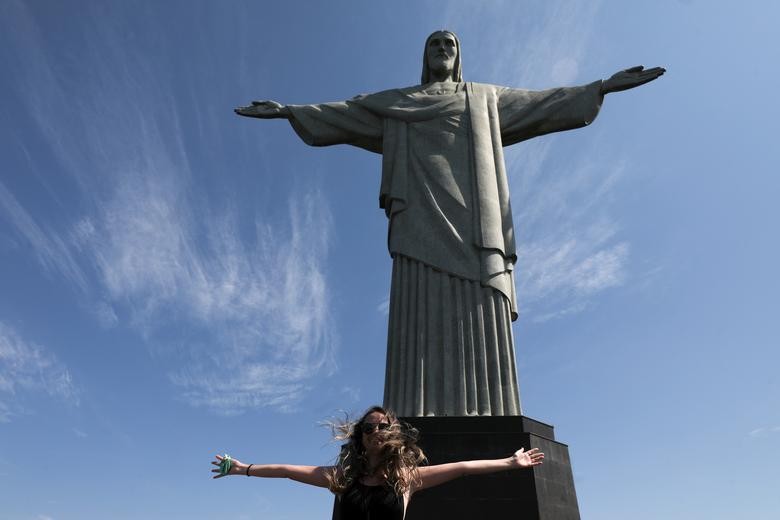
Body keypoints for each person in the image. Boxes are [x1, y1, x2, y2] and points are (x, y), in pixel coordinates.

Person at [235, 31, 664, 417]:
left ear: (458, 56)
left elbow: (543, 103)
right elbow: (345, 113)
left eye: (449, 44)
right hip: (418, 213)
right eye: (434, 44)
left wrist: (601, 87)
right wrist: (289, 111)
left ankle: (493, 412)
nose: (442, 49)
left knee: (482, 301)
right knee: (417, 300)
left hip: (476, 220)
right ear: (424, 56)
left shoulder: (483, 97)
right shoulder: (396, 103)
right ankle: (412, 408)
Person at [211, 406, 544, 519]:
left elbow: (463, 468)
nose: (376, 431)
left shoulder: (407, 479)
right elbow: (285, 471)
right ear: (361, 437)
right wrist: (244, 469)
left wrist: (510, 463)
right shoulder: (340, 477)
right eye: (368, 427)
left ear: (393, 433)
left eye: (383, 426)